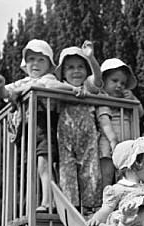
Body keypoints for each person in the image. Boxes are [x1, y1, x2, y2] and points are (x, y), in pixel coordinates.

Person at [0, 39, 64, 212]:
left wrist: (22, 91)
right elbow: (5, 93)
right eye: (31, 59)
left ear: (49, 65)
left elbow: (51, 86)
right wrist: (0, 84)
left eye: (41, 60)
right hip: (29, 132)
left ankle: (48, 201)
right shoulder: (23, 81)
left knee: (44, 164)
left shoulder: (49, 78)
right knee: (39, 168)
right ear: (25, 64)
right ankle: (48, 199)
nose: (35, 64)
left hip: (45, 126)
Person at [54, 41, 103, 212]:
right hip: (66, 136)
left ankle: (91, 207)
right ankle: (71, 207)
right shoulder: (59, 88)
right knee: (67, 168)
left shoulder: (86, 86)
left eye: (81, 66)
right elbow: (49, 84)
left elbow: (98, 79)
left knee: (91, 169)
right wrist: (70, 90)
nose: (76, 71)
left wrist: (91, 58)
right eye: (70, 67)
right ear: (63, 73)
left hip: (88, 135)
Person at [87, 137, 144, 226]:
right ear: (133, 166)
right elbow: (105, 210)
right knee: (118, 217)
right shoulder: (118, 190)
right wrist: (96, 218)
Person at [96, 58, 144, 188]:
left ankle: (122, 199)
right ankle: (104, 199)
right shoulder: (103, 98)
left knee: (124, 175)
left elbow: (139, 113)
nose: (119, 86)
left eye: (123, 83)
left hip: (126, 143)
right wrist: (112, 139)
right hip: (108, 142)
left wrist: (134, 99)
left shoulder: (126, 102)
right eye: (114, 81)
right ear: (103, 82)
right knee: (106, 173)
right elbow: (103, 120)